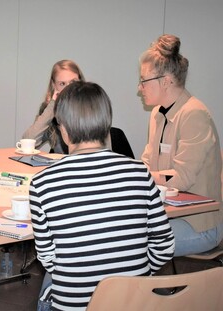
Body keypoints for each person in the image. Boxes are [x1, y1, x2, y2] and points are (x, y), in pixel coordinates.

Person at [30, 81, 175, 310]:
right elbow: (164, 246)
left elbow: (48, 260)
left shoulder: (42, 183)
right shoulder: (140, 172)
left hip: (75, 305)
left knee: (46, 294)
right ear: (107, 123)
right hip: (133, 303)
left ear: (63, 129)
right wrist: (136, 277)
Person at [139, 34, 222, 257]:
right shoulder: (158, 113)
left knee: (132, 245)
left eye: (144, 80)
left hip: (200, 224)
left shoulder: (194, 114)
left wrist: (144, 175)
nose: (140, 87)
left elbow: (181, 178)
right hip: (169, 214)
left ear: (165, 81)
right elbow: (147, 162)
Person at [22, 60, 135, 158]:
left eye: (73, 82)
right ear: (54, 85)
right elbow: (28, 142)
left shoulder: (93, 105)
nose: (69, 88)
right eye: (62, 84)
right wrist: (52, 106)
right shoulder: (49, 112)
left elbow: (105, 151)